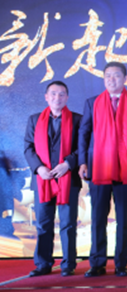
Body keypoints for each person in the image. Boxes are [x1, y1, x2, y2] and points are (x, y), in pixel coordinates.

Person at [78, 62, 127, 277]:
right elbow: (84, 133)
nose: (111, 79)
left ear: (125, 78)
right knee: (98, 217)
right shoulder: (92, 102)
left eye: (116, 75)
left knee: (124, 218)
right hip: (99, 167)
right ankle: (97, 263)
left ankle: (121, 264)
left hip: (126, 167)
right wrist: (82, 162)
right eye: (108, 76)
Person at [24, 81, 82, 277]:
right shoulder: (34, 120)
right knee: (43, 224)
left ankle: (68, 264)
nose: (58, 98)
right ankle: (43, 263)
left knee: (68, 224)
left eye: (62, 94)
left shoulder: (77, 120)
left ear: (67, 97)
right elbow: (28, 148)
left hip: (68, 178)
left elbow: (83, 147)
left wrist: (68, 164)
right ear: (46, 97)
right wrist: (39, 168)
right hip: (43, 179)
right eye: (54, 94)